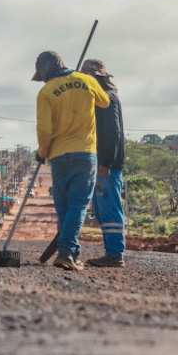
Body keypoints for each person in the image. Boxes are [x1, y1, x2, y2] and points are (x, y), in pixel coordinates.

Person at [32, 50, 110, 272]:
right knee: (78, 205)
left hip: (58, 156)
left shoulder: (45, 91)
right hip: (85, 154)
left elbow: (45, 128)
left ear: (44, 71)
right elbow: (104, 102)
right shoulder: (86, 80)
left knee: (64, 206)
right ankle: (66, 252)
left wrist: (42, 151)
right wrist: (86, 84)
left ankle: (71, 253)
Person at [80, 58, 126, 268]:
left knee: (109, 208)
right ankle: (112, 252)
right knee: (101, 209)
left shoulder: (108, 98)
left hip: (107, 167)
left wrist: (105, 162)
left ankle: (116, 254)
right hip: (100, 164)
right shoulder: (98, 98)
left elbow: (113, 132)